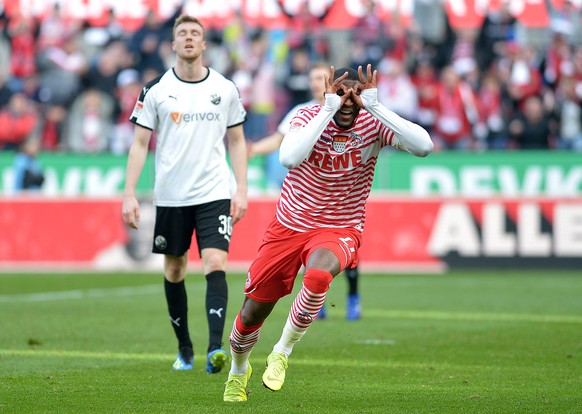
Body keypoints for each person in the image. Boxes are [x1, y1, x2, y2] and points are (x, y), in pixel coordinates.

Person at [223, 64, 433, 402]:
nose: (348, 102)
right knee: (250, 316)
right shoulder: (305, 115)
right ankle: (238, 371)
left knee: (319, 275)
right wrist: (327, 109)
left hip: (340, 226)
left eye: (355, 96)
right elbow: (289, 157)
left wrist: (377, 106)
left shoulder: (373, 121)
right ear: (327, 92)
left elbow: (424, 146)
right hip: (289, 226)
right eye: (340, 94)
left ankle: (282, 352)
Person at [121, 15, 248, 375]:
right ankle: (185, 348)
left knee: (215, 263)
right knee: (175, 269)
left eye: (195, 34)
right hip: (172, 196)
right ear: (173, 45)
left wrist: (242, 188)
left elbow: (237, 141)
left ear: (204, 45)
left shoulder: (225, 88)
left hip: (214, 192)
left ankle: (214, 349)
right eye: (183, 34)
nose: (189, 38)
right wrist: (129, 193)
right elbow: (139, 144)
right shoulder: (156, 90)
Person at [249, 62, 362, 321]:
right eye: (312, 78)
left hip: (341, 202)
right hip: (307, 198)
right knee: (305, 251)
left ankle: (353, 296)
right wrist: (254, 149)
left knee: (346, 252)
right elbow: (280, 143)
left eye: (320, 77)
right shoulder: (299, 112)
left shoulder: (355, 114)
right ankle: (315, 300)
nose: (315, 82)